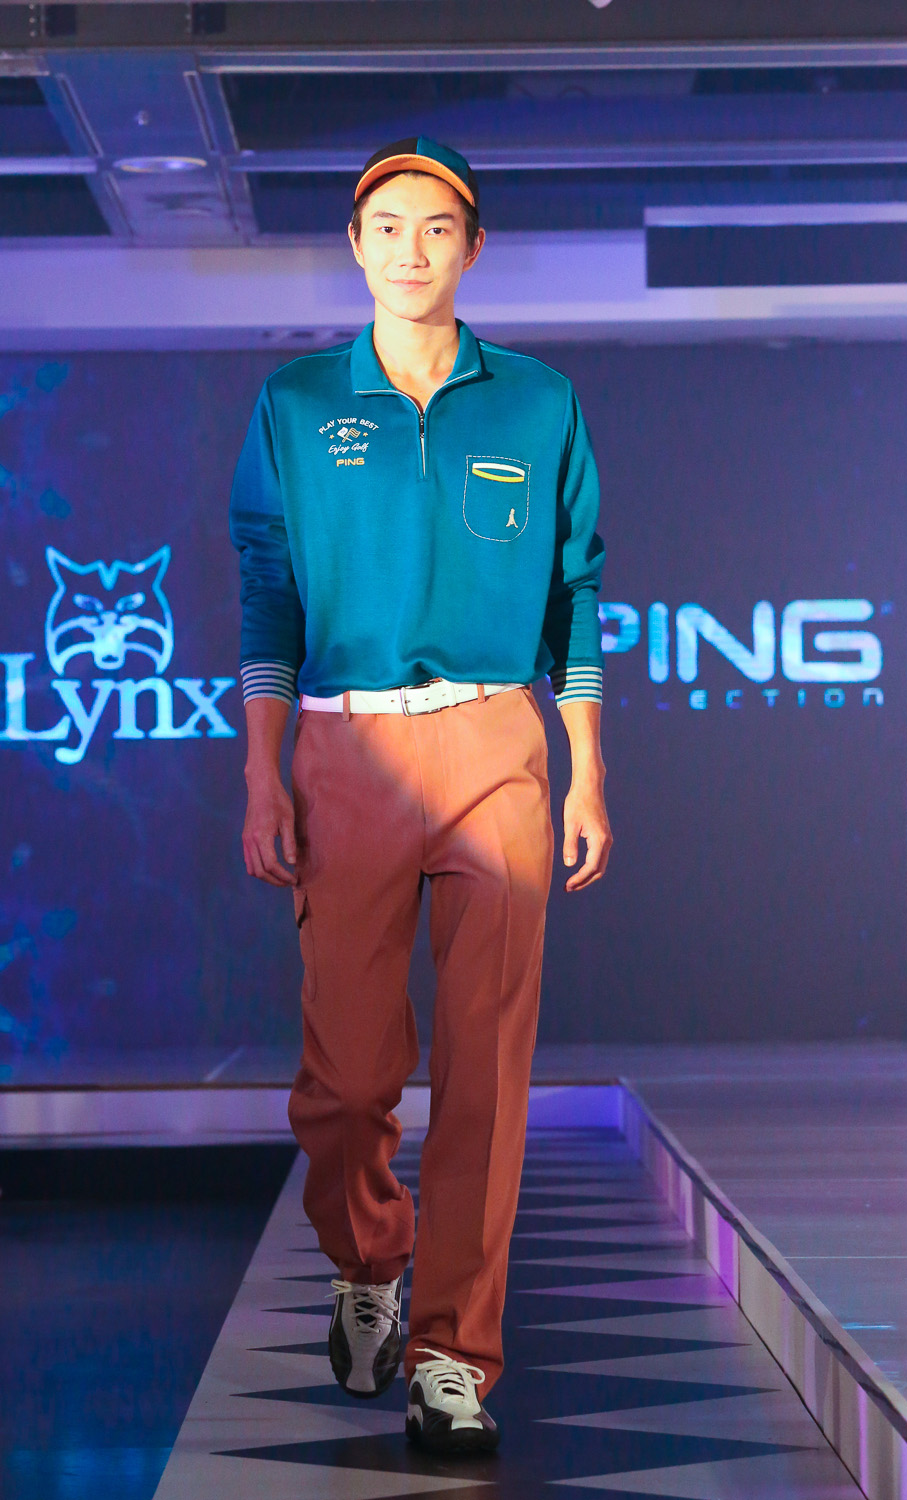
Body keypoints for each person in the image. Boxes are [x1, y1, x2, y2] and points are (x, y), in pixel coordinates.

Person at [229, 135, 611, 1455]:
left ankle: (456, 1358)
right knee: (345, 1080)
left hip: (499, 740)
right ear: (354, 245)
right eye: (387, 226)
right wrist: (261, 770)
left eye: (436, 227)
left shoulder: (539, 401)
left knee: (487, 1066)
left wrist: (588, 769)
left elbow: (576, 593)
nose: (411, 248)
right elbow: (267, 592)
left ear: (473, 247)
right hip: (347, 750)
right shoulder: (294, 404)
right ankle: (369, 1258)